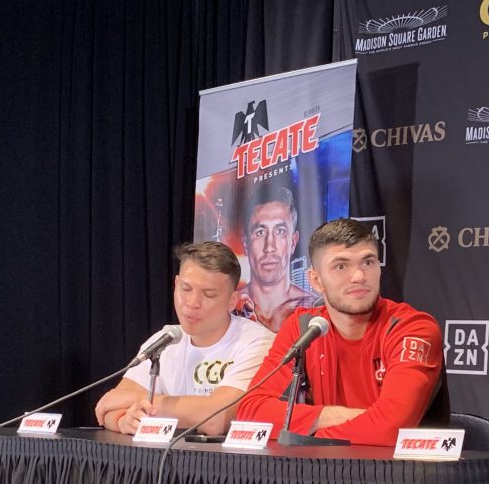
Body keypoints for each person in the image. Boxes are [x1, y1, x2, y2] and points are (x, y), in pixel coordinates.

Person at [237, 218, 442, 446]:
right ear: (316, 280)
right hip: (326, 466)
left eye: (368, 262)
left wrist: (308, 439)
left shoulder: (411, 327)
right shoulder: (304, 326)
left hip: (397, 468)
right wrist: (331, 415)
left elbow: (392, 428)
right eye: (341, 266)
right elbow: (250, 413)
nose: (359, 276)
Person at [95, 242, 273, 436]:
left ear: (232, 301)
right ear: (176, 284)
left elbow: (216, 419)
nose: (192, 303)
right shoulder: (164, 340)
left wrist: (143, 399)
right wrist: (123, 421)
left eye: (209, 294)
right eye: (186, 289)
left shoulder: (259, 342)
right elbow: (109, 407)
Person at [235, 185, 316, 331]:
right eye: (260, 232)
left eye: (280, 231)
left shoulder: (314, 308)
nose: (269, 247)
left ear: (293, 242)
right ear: (246, 244)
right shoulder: (229, 306)